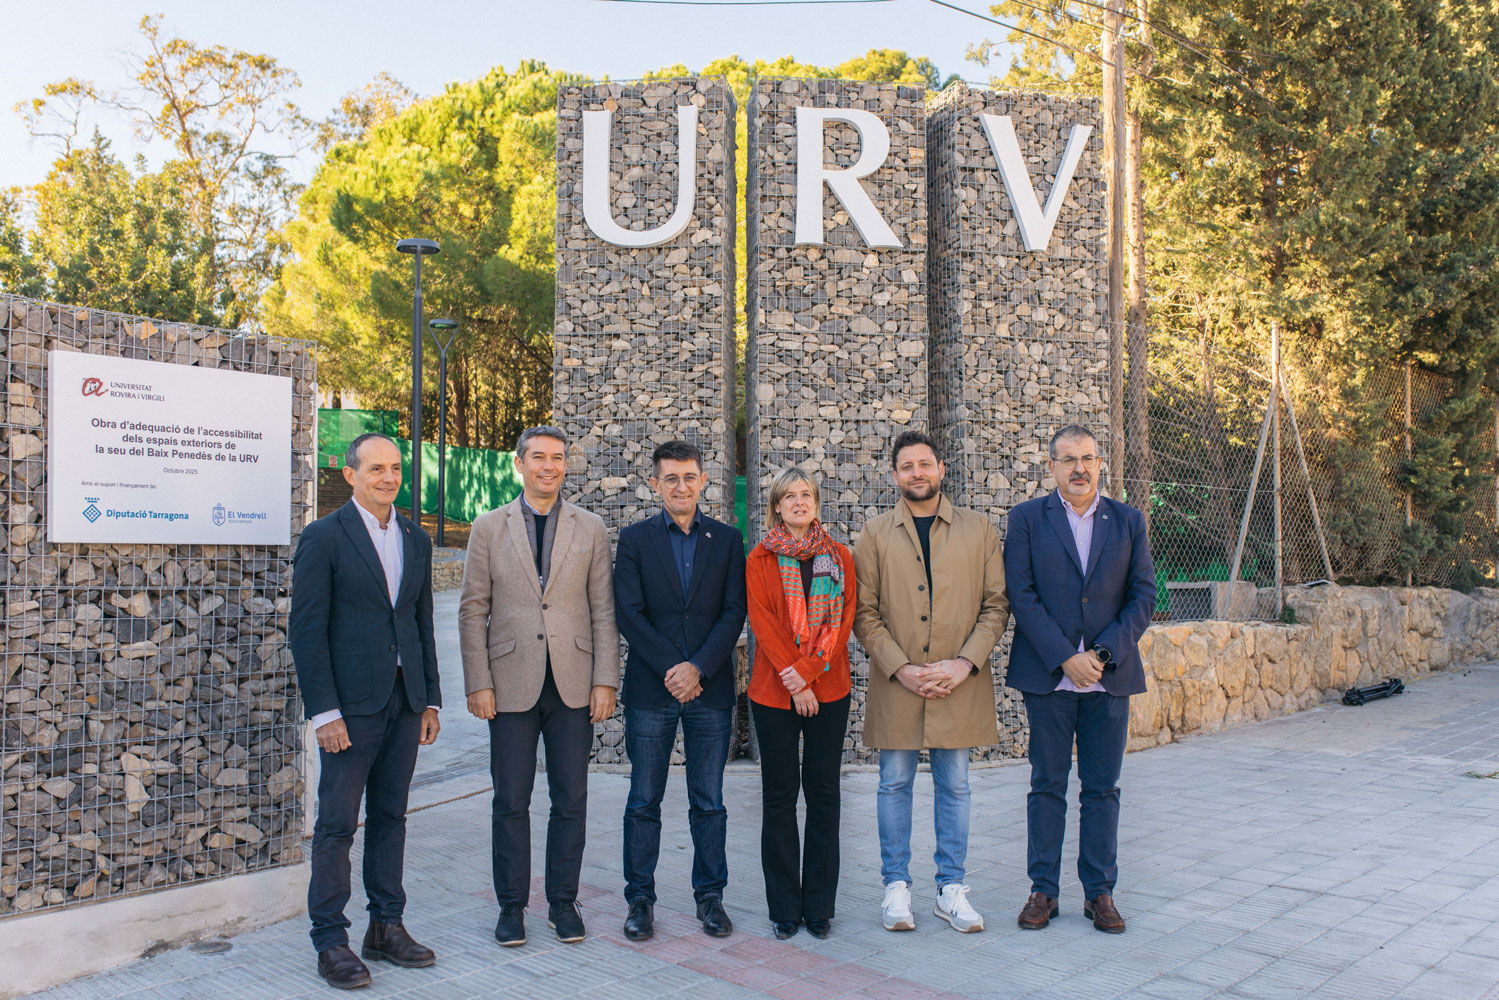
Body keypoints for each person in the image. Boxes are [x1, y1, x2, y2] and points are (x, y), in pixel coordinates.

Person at [289, 432, 442, 989]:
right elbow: (306, 633)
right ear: (350, 474)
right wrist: (324, 713)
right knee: (336, 826)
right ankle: (331, 939)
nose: (388, 477)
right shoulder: (324, 537)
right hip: (349, 710)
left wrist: (428, 700)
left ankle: (386, 926)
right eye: (376, 468)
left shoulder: (414, 538)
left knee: (392, 818)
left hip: (404, 704)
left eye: (396, 467)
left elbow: (421, 624)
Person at [457, 426, 619, 947]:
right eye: (539, 458)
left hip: (573, 683)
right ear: (519, 464)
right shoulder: (488, 527)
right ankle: (511, 907)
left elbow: (603, 609)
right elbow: (472, 610)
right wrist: (478, 682)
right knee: (510, 799)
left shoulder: (590, 527)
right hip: (509, 684)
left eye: (558, 458)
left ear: (565, 465)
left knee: (570, 797)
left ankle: (563, 902)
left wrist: (604, 680)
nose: (549, 466)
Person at [852, 429, 1010, 934]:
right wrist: (902, 668)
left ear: (942, 469)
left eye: (925, 464)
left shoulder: (979, 530)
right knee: (893, 782)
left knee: (956, 785)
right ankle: (896, 886)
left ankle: (951, 888)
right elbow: (864, 613)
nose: (917, 473)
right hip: (899, 682)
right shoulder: (874, 534)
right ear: (894, 475)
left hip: (958, 681)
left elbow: (995, 606)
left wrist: (963, 664)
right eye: (906, 466)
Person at [1003, 424, 1155, 934]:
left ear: (1099, 463)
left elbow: (1143, 597)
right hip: (1049, 677)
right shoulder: (1026, 519)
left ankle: (1100, 893)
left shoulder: (1129, 521)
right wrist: (1067, 657)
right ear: (1052, 467)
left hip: (1109, 680)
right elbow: (1021, 595)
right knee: (1046, 785)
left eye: (1088, 458)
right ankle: (1042, 891)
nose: (1079, 468)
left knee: (1102, 788)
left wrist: (1103, 653)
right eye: (1068, 459)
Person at [613, 440, 747, 941]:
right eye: (670, 478)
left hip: (709, 692)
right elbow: (630, 613)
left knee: (708, 801)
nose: (681, 486)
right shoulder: (634, 539)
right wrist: (675, 667)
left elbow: (734, 611)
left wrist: (699, 668)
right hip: (652, 689)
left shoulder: (728, 540)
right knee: (644, 800)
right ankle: (640, 900)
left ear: (703, 480)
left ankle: (710, 898)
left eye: (689, 476)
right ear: (655, 484)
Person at [745, 468, 857, 940]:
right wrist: (797, 681)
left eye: (805, 494)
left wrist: (809, 675)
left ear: (815, 502)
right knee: (779, 796)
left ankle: (819, 908)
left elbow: (845, 616)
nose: (798, 502)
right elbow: (763, 623)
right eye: (788, 496)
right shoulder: (760, 558)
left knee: (824, 795)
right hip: (773, 694)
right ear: (775, 505)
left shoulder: (840, 557)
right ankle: (784, 909)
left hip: (829, 691)